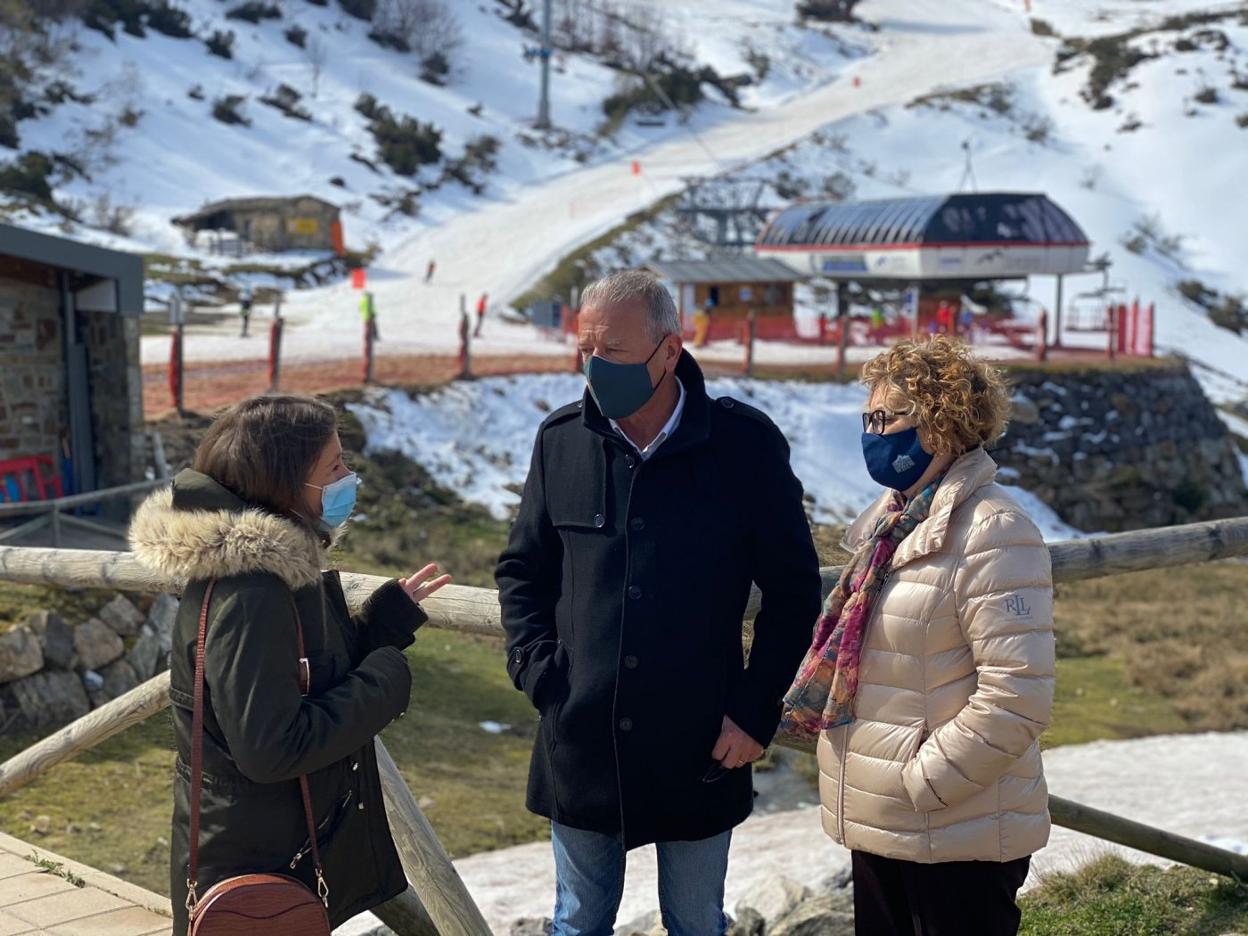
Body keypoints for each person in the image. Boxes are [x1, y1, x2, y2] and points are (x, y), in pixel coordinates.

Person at [497, 270, 822, 936]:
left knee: (697, 923)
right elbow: (523, 571)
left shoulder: (745, 446)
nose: (595, 366)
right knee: (577, 923)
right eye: (586, 348)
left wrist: (754, 711)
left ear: (670, 350)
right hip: (581, 740)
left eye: (612, 350)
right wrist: (539, 673)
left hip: (703, 743)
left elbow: (793, 592)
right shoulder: (561, 440)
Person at [128, 394, 452, 935]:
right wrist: (388, 680)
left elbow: (298, 676)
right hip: (259, 872)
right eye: (334, 467)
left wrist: (382, 625)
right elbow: (272, 747)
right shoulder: (252, 592)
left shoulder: (265, 572)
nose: (349, 478)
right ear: (284, 484)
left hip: (271, 851)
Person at [782, 336, 1055, 936]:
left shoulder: (994, 531)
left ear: (941, 422)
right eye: (868, 419)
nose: (872, 434)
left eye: (887, 418)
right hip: (886, 822)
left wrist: (923, 781)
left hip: (955, 829)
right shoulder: (890, 526)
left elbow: (1018, 695)